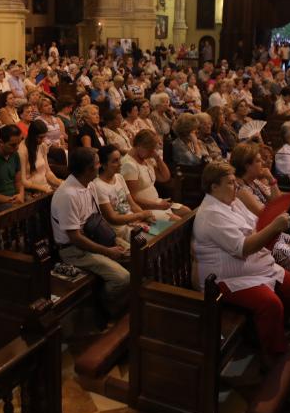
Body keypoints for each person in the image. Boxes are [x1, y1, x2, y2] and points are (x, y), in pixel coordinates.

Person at [194, 161, 290, 360]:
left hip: (250, 266)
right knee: (270, 304)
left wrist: (270, 225)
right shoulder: (211, 214)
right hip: (222, 279)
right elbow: (242, 249)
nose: (236, 186)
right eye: (230, 183)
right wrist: (274, 227)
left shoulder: (232, 202)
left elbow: (255, 225)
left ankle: (279, 329)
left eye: (235, 182)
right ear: (214, 187)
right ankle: (271, 354)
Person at [51, 147, 129, 317]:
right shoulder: (67, 195)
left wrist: (113, 240)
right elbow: (75, 237)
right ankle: (104, 311)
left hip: (93, 238)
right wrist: (107, 251)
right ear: (87, 169)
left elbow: (95, 220)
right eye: (97, 163)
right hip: (74, 251)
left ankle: (128, 305)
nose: (100, 166)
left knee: (134, 253)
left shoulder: (90, 184)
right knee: (122, 278)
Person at [230, 143, 290, 286]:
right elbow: (265, 213)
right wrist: (276, 208)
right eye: (258, 160)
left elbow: (277, 201)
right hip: (263, 238)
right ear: (247, 166)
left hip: (274, 229)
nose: (263, 163)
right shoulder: (240, 188)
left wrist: (271, 179)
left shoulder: (254, 181)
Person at [94, 145, 160, 243]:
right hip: (120, 230)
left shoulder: (119, 177)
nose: (120, 163)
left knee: (165, 229)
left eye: (119, 159)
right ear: (103, 165)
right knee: (156, 239)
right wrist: (140, 215)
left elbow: (132, 204)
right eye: (115, 161)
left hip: (134, 221)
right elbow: (113, 219)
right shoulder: (98, 185)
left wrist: (146, 216)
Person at [121, 129, 190, 214]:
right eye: (150, 150)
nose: (152, 153)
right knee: (176, 219)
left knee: (186, 211)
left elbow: (165, 177)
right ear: (140, 146)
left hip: (156, 202)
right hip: (144, 208)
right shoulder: (129, 165)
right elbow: (133, 198)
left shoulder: (146, 160)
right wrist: (157, 205)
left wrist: (157, 158)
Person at [17, 119, 62, 194]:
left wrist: (60, 183)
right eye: (40, 137)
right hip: (32, 191)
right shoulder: (22, 150)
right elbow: (23, 181)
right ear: (32, 135)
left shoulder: (42, 146)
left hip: (45, 186)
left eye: (44, 137)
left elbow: (48, 172)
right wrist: (44, 189)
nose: (42, 140)